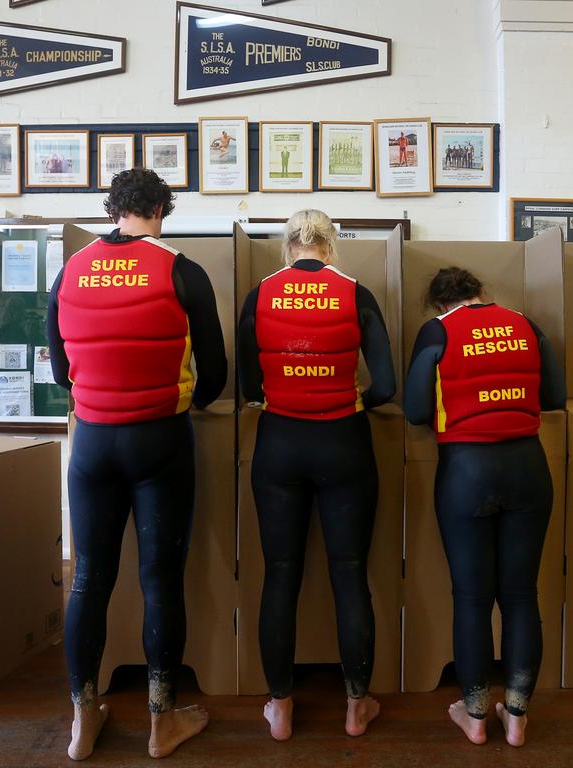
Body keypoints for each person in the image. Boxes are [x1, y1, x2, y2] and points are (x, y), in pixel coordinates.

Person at [46, 167, 227, 761]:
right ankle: (161, 721)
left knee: (90, 580)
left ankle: (81, 719)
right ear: (161, 209)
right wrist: (187, 401)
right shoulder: (182, 269)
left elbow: (58, 373)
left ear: (112, 209)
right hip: (160, 441)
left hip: (93, 442)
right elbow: (217, 373)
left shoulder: (70, 270)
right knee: (160, 580)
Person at [238, 209, 396, 742]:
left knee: (280, 574)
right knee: (349, 573)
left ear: (289, 248)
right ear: (331, 247)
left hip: (279, 442)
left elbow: (247, 383)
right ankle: (356, 706)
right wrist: (355, 397)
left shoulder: (260, 294)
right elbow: (388, 385)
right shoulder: (356, 292)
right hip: (344, 441)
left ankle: (280, 708)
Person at [403, 267, 566, 748]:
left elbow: (414, 411)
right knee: (520, 596)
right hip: (528, 468)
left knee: (472, 599)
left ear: (439, 303)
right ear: (481, 293)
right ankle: (516, 718)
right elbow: (554, 397)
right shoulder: (524, 324)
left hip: (465, 474)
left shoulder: (438, 331)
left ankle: (475, 717)